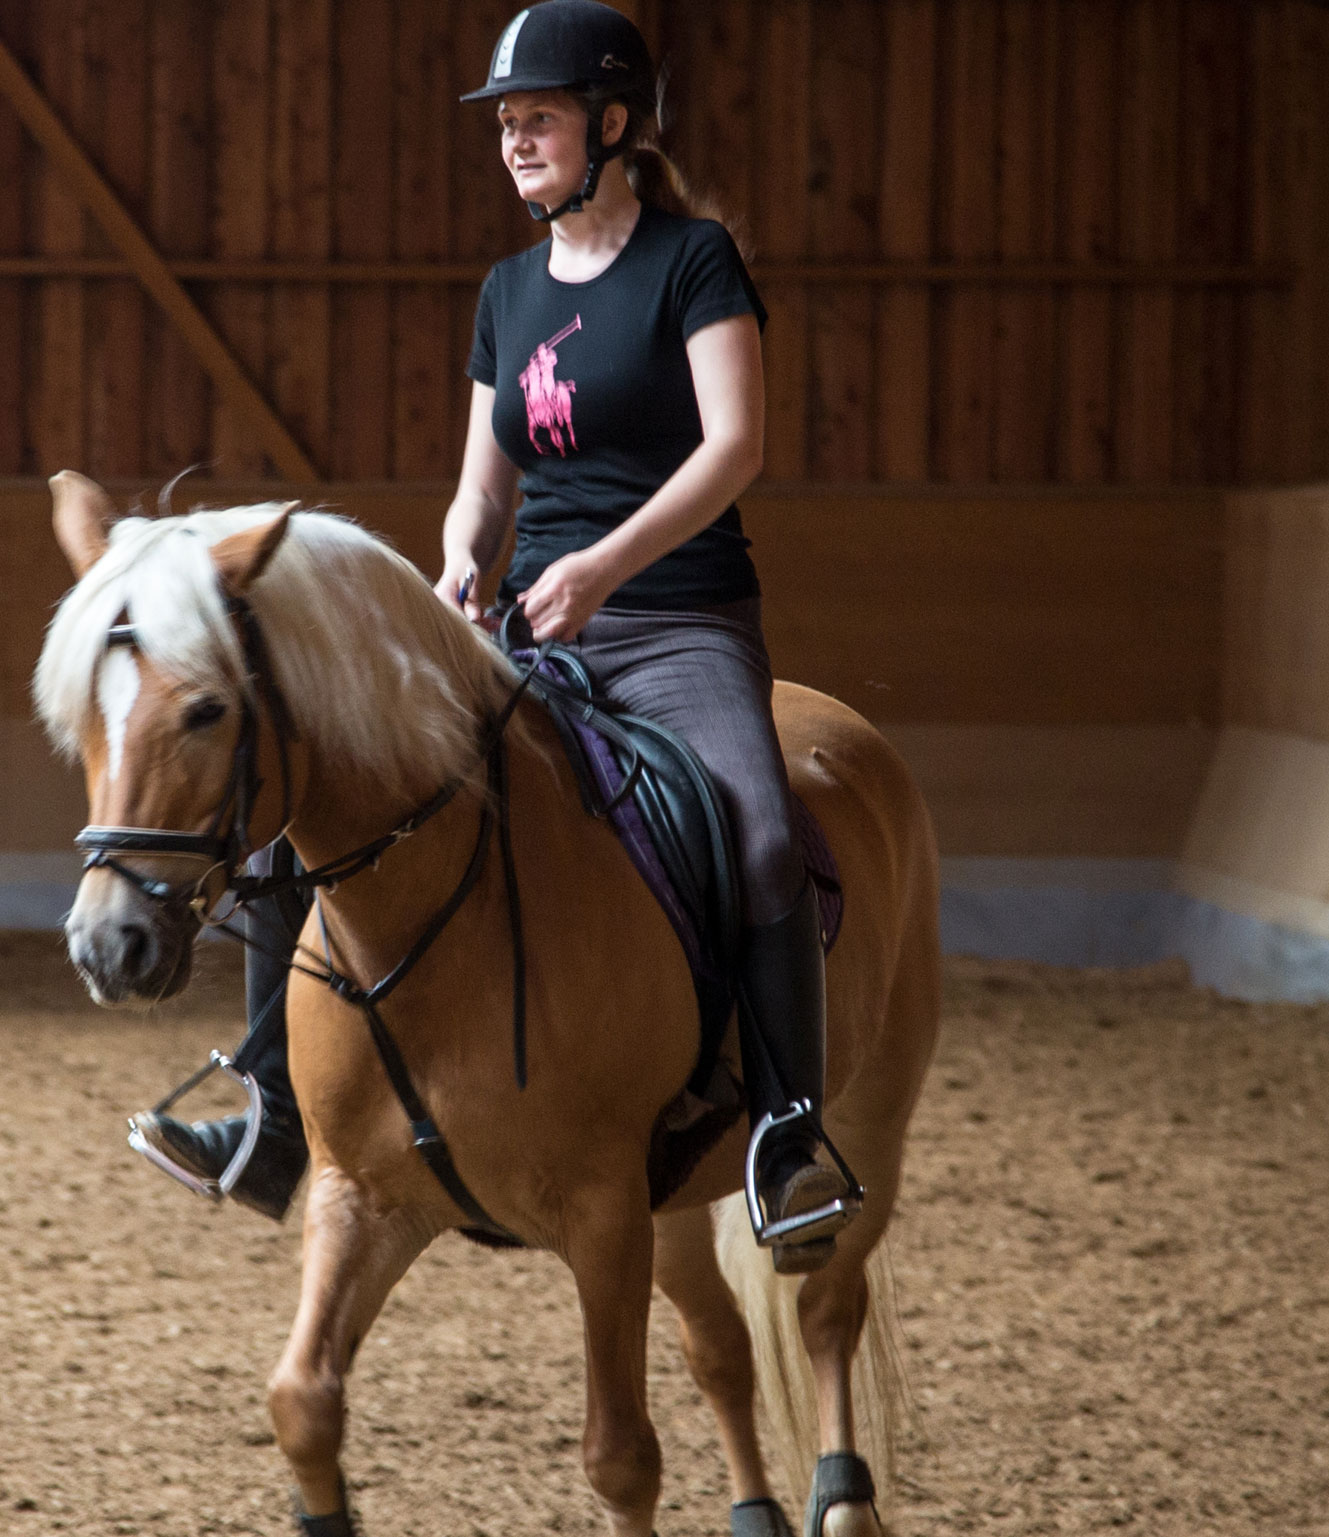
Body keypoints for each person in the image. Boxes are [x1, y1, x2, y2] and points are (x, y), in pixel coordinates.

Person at [130, 0, 855, 1274]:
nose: (515, 140)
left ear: (613, 126)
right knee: (327, 778)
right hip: (526, 623)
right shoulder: (508, 290)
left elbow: (735, 446)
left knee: (754, 828)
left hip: (676, 618)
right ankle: (276, 1113)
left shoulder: (693, 264)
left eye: (539, 118)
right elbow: (484, 484)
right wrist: (465, 558)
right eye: (507, 123)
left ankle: (788, 1137)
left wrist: (607, 565)